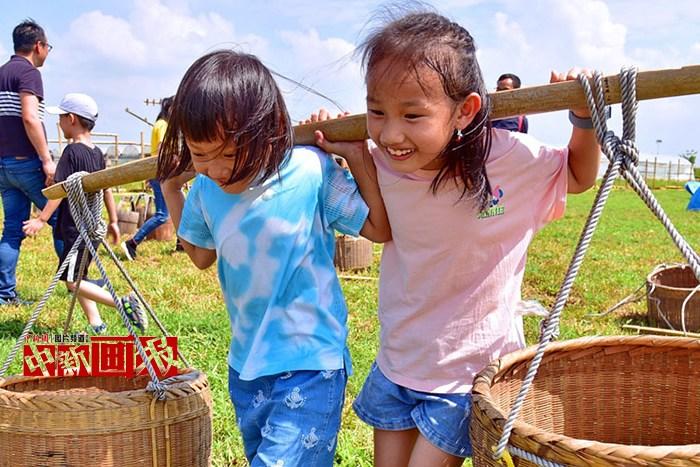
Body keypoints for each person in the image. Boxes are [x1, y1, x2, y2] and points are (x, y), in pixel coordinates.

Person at [311, 11, 600, 467]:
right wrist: (338, 144)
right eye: (377, 111)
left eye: (412, 115)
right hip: (399, 360)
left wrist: (583, 119)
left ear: (464, 110)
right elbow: (376, 222)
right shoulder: (380, 161)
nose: (391, 133)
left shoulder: (508, 161)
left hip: (467, 372)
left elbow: (578, 175)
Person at [157, 50, 390, 466]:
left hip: (311, 360)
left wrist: (358, 157)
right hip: (246, 366)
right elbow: (200, 255)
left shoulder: (308, 169)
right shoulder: (207, 189)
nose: (216, 169)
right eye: (200, 154)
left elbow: (378, 228)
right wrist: (173, 190)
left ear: (271, 130)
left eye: (230, 155)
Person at [22, 93, 148, 335]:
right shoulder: (97, 153)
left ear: (71, 119)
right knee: (80, 276)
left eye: (61, 117)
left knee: (73, 282)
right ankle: (97, 324)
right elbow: (106, 189)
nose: (59, 123)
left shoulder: (71, 152)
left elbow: (60, 191)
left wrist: (41, 219)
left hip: (74, 230)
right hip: (92, 228)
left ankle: (122, 303)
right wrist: (113, 221)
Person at [0, 19, 59, 305]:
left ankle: (4, 294)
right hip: (26, 163)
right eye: (48, 47)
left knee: (12, 229)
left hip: (3, 165)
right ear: (38, 45)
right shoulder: (29, 73)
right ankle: (78, 281)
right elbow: (30, 117)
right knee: (61, 217)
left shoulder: (2, 73)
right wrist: (47, 159)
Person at [121, 96, 178, 260]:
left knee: (177, 208)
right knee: (162, 215)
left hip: (158, 172)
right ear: (170, 109)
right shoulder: (163, 125)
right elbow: (162, 150)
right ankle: (132, 242)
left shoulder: (160, 124)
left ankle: (181, 243)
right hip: (161, 173)